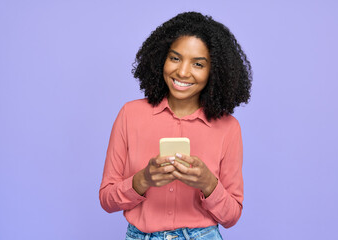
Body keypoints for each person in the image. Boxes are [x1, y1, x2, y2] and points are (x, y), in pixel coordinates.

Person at [99, 11, 252, 240]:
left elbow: (231, 217)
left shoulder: (228, 128)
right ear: (161, 58)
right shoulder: (130, 114)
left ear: (215, 71)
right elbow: (107, 200)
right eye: (175, 58)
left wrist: (208, 183)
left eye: (198, 64)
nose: (182, 72)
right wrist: (143, 180)